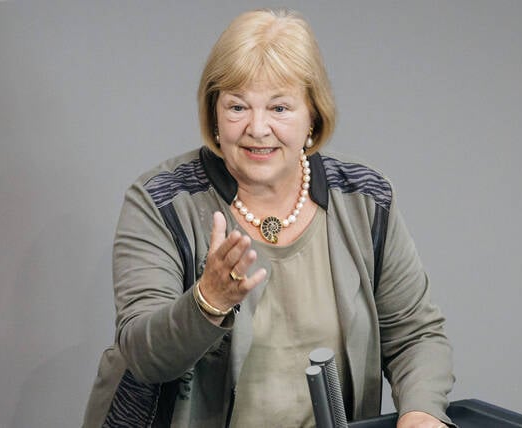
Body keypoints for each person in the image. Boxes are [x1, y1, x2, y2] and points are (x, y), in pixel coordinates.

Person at [84, 9, 454, 428]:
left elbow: (415, 335)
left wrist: (421, 414)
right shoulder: (161, 201)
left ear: (313, 114)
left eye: (279, 107)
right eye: (238, 106)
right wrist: (208, 301)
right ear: (214, 114)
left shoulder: (364, 200)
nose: (258, 129)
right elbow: (143, 355)